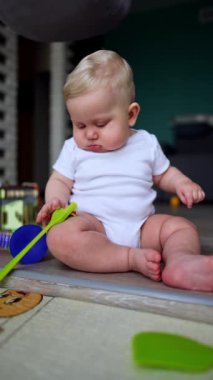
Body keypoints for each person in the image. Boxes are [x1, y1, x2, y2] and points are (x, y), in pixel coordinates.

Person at [36, 50, 213, 292]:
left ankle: (181, 262)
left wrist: (183, 184)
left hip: (143, 227)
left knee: (181, 228)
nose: (90, 133)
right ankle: (129, 258)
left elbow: (164, 174)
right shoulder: (73, 149)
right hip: (93, 225)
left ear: (130, 115)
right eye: (80, 125)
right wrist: (56, 200)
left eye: (100, 124)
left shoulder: (146, 143)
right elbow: (59, 180)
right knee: (58, 237)